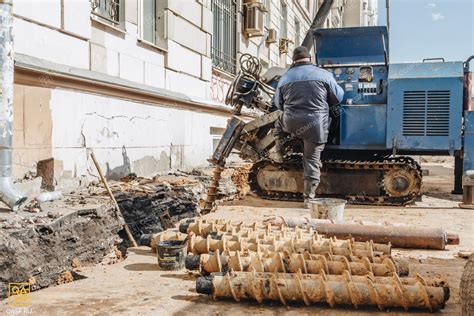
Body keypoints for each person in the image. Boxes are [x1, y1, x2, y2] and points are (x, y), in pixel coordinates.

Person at [272, 46, 344, 208]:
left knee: (278, 121)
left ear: (293, 60)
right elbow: (338, 98)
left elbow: (278, 104)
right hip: (316, 126)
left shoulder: (285, 78)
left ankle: (279, 151)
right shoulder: (324, 75)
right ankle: (308, 198)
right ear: (310, 59)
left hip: (291, 123)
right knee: (311, 159)